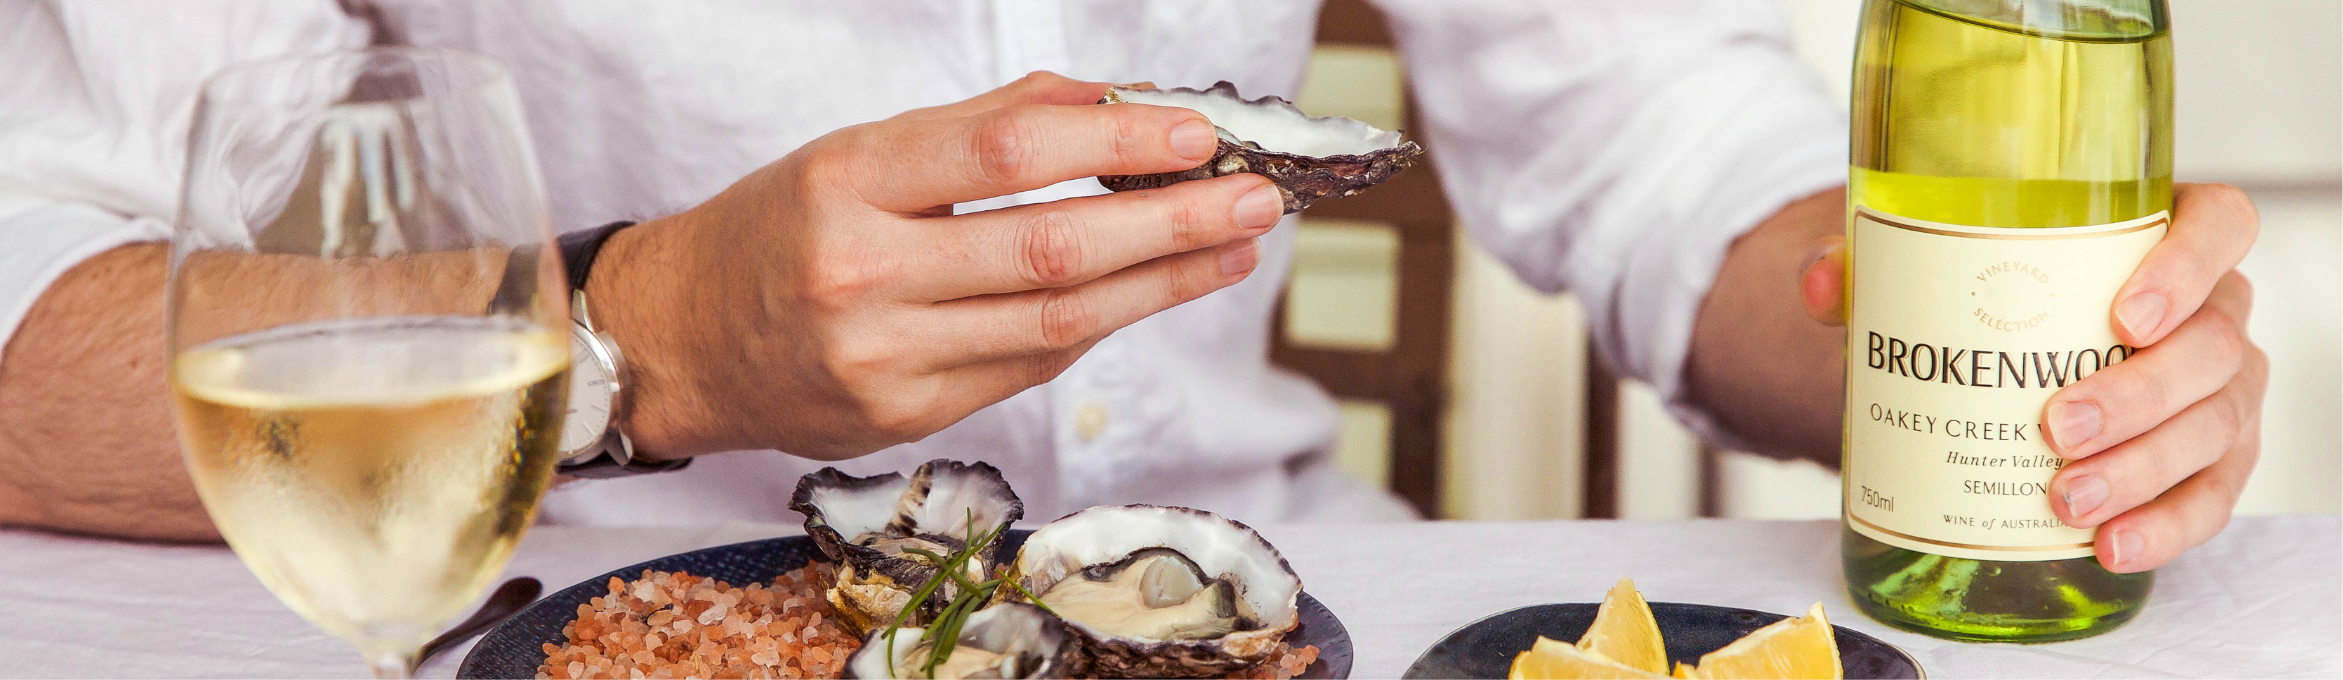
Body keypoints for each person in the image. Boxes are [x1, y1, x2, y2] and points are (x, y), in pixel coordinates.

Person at [0, 1, 2262, 575]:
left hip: (1273, 603)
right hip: (588, 614)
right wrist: (649, 337)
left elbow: (1665, 149)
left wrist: (1979, 352)